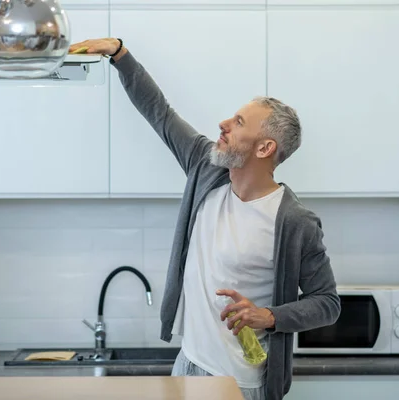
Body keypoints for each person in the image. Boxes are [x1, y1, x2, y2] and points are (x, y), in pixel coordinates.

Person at [69, 38, 341, 400]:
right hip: (187, 363)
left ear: (264, 148)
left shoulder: (294, 222)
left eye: (239, 122)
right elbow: (159, 112)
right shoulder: (206, 167)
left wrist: (268, 316)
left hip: (240, 383)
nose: (223, 124)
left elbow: (327, 303)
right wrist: (120, 53)